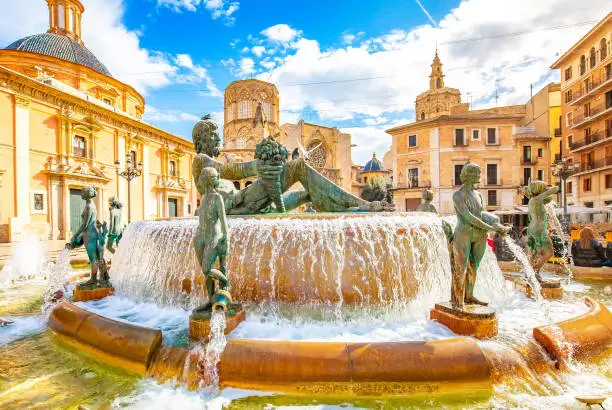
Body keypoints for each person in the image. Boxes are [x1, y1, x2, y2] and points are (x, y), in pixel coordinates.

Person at [451, 163, 511, 308]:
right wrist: (489, 228)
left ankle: (469, 296)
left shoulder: (478, 195)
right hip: (463, 234)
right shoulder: (458, 195)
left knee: (473, 266)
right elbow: (467, 216)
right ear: (466, 175)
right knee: (461, 267)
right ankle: (457, 299)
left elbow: (481, 214)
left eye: (479, 173)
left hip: (479, 235)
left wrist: (496, 225)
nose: (478, 176)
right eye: (475, 173)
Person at [193, 167, 231, 312]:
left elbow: (223, 220)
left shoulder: (217, 198)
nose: (200, 178)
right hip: (200, 237)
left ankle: (225, 281)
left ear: (208, 179)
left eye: (202, 175)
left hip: (213, 237)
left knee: (207, 268)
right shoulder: (203, 197)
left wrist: (226, 238)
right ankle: (210, 300)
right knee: (205, 273)